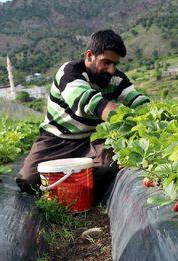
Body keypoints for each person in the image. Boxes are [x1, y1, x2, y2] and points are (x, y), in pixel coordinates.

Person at [16, 29, 149, 201]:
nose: (111, 70)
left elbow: (137, 100)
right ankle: (70, 190)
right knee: (29, 180)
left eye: (115, 64)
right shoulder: (70, 72)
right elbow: (88, 102)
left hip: (92, 140)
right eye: (106, 62)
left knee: (109, 168)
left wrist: (154, 115)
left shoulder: (116, 78)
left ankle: (77, 194)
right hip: (56, 140)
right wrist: (126, 119)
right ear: (89, 56)